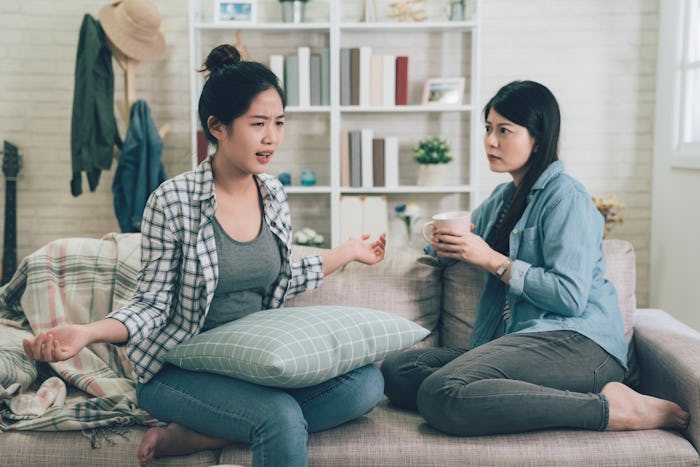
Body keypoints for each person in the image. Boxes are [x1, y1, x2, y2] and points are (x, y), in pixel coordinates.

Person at [23, 44, 387, 467]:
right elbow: (152, 305)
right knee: (280, 417)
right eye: (258, 124)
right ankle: (237, 423)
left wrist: (347, 251)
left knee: (367, 384)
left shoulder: (273, 194)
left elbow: (283, 277)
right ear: (218, 126)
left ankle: (200, 435)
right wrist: (87, 332)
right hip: (183, 373)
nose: (272, 137)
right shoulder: (173, 200)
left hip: (254, 366)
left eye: (279, 122)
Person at [381, 80, 689, 437]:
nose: (490, 141)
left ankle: (610, 409)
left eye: (504, 131)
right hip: (526, 342)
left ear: (538, 139)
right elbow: (460, 242)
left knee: (442, 395)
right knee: (400, 372)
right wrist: (443, 244)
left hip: (580, 344)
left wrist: (493, 261)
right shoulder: (503, 198)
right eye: (488, 129)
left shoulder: (566, 198)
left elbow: (569, 297)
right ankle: (528, 396)